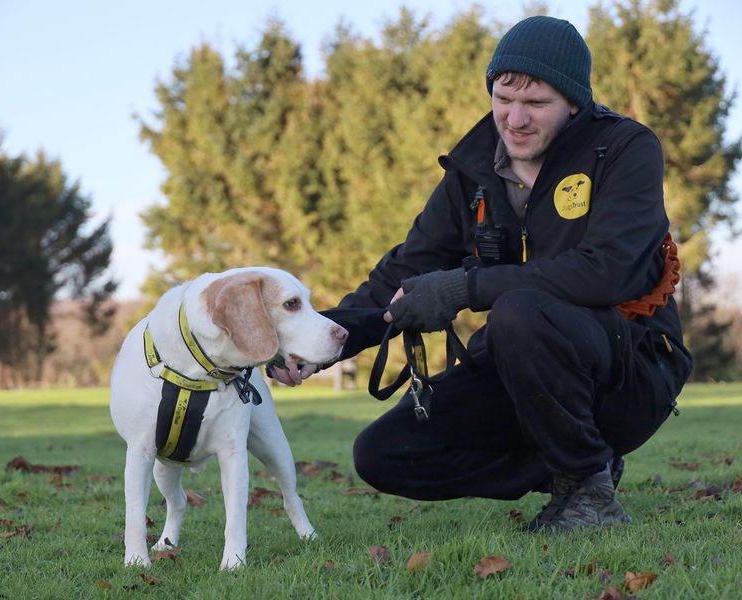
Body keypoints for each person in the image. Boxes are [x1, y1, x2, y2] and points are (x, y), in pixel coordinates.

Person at [268, 15, 692, 531]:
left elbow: (608, 272)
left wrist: (464, 288)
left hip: (634, 365)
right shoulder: (472, 171)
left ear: (575, 103)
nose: (514, 119)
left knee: (518, 311)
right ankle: (583, 461)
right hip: (523, 365)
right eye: (502, 98)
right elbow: (403, 272)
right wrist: (322, 342)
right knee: (382, 453)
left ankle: (587, 490)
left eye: (537, 104)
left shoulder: (625, 148)